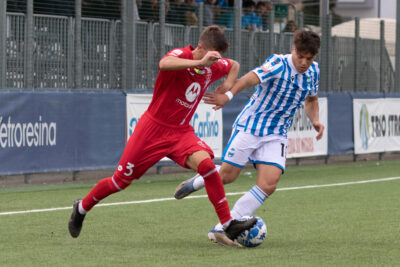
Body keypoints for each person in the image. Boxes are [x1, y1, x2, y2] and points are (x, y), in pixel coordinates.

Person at [68, 25, 257, 246]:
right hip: (152, 131)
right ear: (200, 48)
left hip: (181, 132)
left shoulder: (213, 65)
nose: (216, 62)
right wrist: (199, 62)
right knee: (119, 182)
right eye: (213, 57)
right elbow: (163, 64)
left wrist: (226, 85)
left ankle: (228, 224)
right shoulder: (182, 56)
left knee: (207, 166)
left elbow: (234, 65)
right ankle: (81, 208)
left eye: (217, 58)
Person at [174, 29, 324, 243]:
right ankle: (199, 181)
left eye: (309, 59)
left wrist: (315, 120)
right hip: (251, 126)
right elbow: (247, 79)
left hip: (276, 134)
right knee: (228, 176)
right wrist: (227, 95)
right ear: (293, 49)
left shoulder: (313, 71)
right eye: (300, 56)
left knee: (269, 184)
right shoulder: (278, 64)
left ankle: (223, 228)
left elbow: (311, 100)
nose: (303, 62)